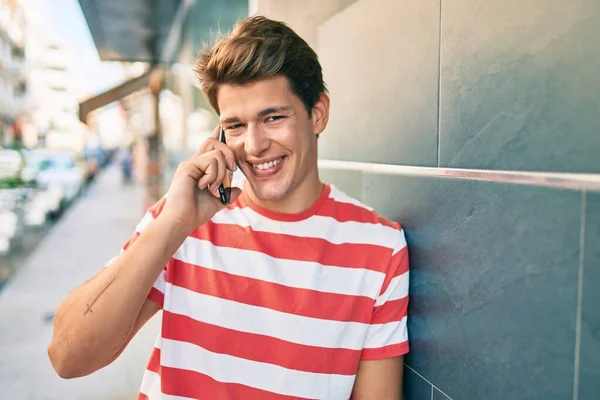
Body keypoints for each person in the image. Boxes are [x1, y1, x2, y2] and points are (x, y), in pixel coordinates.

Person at [48, 15, 410, 399]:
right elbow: (68, 357)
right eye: (235, 126)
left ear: (317, 113)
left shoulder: (380, 248)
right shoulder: (180, 222)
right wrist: (174, 223)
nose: (253, 145)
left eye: (273, 117)